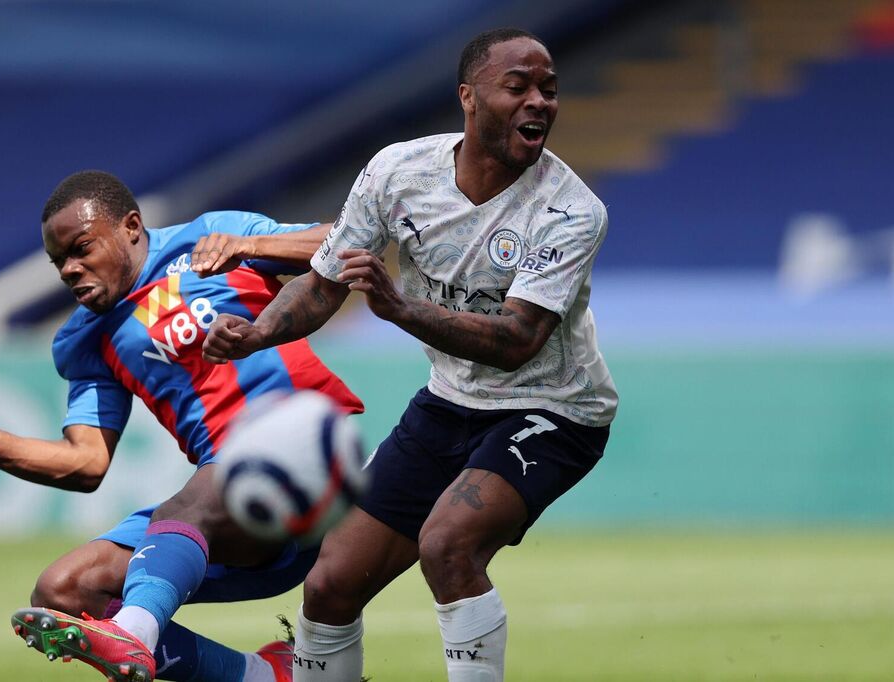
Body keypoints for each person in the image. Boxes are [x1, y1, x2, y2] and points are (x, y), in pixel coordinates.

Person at [202, 28, 617, 681]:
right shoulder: (398, 173)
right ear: (469, 97)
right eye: (518, 86)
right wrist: (255, 333)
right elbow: (323, 284)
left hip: (553, 410)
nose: (539, 101)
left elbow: (517, 341)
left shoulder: (570, 211)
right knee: (330, 582)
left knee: (447, 544)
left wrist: (401, 309)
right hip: (450, 402)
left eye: (549, 89)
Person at [0, 169, 363, 682]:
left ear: (131, 226)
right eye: (59, 261)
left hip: (312, 450)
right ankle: (263, 676)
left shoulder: (212, 237)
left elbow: (345, 243)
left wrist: (251, 244)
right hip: (236, 515)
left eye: (81, 248)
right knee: (64, 592)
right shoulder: (84, 340)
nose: (69, 269)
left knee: (184, 509)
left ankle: (134, 633)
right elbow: (85, 462)